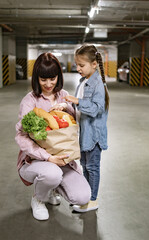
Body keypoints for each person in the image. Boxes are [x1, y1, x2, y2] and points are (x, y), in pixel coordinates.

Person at [15, 52, 91, 221]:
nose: (49, 84)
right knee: (52, 174)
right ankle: (38, 199)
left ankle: (52, 189)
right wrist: (48, 157)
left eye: (53, 78)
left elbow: (75, 124)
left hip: (63, 159)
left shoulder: (63, 94)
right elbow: (21, 137)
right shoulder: (30, 101)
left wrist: (69, 109)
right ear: (36, 78)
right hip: (35, 162)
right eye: (43, 79)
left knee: (82, 197)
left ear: (58, 76)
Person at [65, 45, 109, 212]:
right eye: (77, 65)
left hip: (94, 135)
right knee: (84, 164)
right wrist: (67, 105)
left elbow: (96, 108)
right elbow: (80, 109)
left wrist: (76, 101)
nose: (78, 69)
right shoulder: (84, 82)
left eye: (81, 65)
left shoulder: (98, 84)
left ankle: (92, 200)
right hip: (85, 134)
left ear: (94, 64)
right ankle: (85, 196)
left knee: (92, 167)